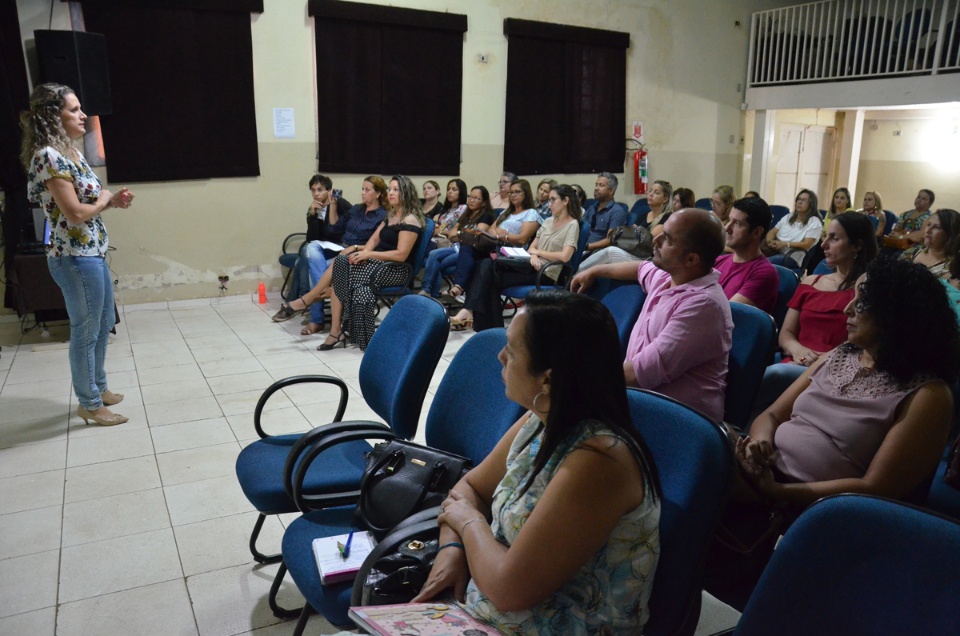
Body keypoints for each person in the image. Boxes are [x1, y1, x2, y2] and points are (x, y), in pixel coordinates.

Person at [708, 256, 959, 609]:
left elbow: (876, 489)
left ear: (897, 317)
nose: (848, 309)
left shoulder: (927, 396)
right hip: (766, 477)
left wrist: (778, 490)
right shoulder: (842, 354)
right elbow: (773, 414)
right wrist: (761, 443)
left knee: (698, 475)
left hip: (816, 509)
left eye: (863, 302)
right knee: (700, 450)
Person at [412, 290, 662, 635]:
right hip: (482, 612)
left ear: (548, 377)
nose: (500, 356)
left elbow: (508, 590)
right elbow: (468, 488)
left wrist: (469, 524)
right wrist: (452, 549)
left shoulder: (599, 461)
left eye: (511, 351)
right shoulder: (542, 416)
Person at [20, 83, 134, 426]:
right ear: (53, 116)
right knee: (85, 330)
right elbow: (75, 213)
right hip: (73, 257)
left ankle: (99, 387)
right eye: (74, 109)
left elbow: (91, 203)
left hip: (91, 252)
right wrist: (103, 200)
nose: (83, 115)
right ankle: (90, 403)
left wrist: (111, 201)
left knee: (102, 324)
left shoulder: (71, 152)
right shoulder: (48, 157)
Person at [571, 208, 732, 423]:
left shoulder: (703, 306)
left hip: (678, 420)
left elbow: (638, 374)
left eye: (667, 239)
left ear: (692, 259)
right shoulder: (670, 276)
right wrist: (596, 270)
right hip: (642, 398)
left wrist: (577, 381)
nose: (655, 240)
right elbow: (640, 268)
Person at [752, 213, 878, 416]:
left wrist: (818, 360)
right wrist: (798, 351)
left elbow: (866, 344)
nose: (823, 245)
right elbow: (786, 333)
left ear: (857, 246)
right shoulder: (811, 282)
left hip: (838, 369)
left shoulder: (867, 289)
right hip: (797, 360)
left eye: (834, 238)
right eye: (825, 237)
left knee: (774, 375)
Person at [455, 184, 582, 332]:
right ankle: (483, 324)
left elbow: (565, 256)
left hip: (547, 273)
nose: (550, 204)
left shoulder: (572, 225)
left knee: (489, 276)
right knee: (487, 264)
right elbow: (531, 248)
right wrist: (534, 254)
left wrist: (538, 253)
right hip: (531, 265)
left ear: (565, 201)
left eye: (553, 200)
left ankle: (478, 320)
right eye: (549, 200)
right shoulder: (548, 221)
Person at [321, 175, 424, 351]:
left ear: (406, 193)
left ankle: (334, 313)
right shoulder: (391, 216)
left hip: (395, 270)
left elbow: (401, 255)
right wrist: (363, 253)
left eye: (396, 189)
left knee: (343, 277)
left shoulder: (410, 219)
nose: (390, 193)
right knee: (342, 263)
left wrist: (369, 256)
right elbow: (373, 241)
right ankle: (337, 328)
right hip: (378, 264)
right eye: (390, 189)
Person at [274, 177, 389, 329]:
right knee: (310, 248)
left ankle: (313, 315)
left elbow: (376, 244)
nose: (362, 193)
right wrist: (317, 213)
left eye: (367, 190)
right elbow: (329, 229)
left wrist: (354, 247)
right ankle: (308, 306)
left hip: (356, 253)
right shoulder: (357, 209)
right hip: (339, 249)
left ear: (378, 194)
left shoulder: (382, 215)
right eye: (362, 189)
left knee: (309, 266)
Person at [446, 180, 541, 328]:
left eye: (517, 192)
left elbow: (523, 238)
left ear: (526, 193)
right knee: (470, 251)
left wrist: (506, 235)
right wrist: (498, 233)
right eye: (511, 192)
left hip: (514, 256)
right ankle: (473, 314)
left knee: (484, 266)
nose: (513, 195)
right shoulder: (506, 212)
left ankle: (468, 309)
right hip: (496, 250)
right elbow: (489, 231)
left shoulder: (531, 213)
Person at [271, 175, 352, 335]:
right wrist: (313, 216)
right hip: (320, 251)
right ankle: (309, 309)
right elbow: (311, 238)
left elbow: (348, 230)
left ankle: (312, 316)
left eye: (320, 190)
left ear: (329, 190)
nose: (316, 194)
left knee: (306, 260)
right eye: (313, 190)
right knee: (310, 254)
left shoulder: (340, 203)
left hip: (341, 250)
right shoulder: (314, 208)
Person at [576, 179, 673, 272]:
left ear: (665, 199)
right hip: (634, 252)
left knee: (611, 252)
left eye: (656, 193)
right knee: (604, 252)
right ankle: (576, 275)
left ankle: (574, 275)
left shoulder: (667, 217)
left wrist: (629, 234)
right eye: (650, 191)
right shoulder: (645, 214)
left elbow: (647, 241)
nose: (651, 194)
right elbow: (632, 234)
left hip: (648, 258)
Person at [419, 185, 496, 299]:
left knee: (439, 262)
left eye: (476, 198)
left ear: (484, 202)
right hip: (457, 246)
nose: (471, 200)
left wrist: (460, 234)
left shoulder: (486, 216)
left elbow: (476, 236)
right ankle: (426, 290)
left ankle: (432, 296)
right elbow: (452, 234)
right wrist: (462, 234)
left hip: (472, 251)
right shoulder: (467, 214)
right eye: (470, 197)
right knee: (433, 254)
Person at [715, 197, 779, 313]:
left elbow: (724, 315)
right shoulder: (718, 261)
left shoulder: (765, 274)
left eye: (737, 224)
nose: (727, 228)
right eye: (729, 220)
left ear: (756, 232)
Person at [765, 189, 822, 268]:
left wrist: (785, 244)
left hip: (791, 257)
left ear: (811, 204)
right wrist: (770, 241)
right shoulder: (789, 216)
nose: (799, 202)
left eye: (804, 200)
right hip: (774, 250)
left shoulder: (814, 222)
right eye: (798, 199)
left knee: (763, 264)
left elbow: (807, 244)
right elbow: (773, 231)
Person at [905, 208, 960, 279]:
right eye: (928, 224)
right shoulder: (910, 253)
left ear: (950, 234)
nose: (928, 230)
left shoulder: (953, 269)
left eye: (937, 227)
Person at [581, 172, 628, 253]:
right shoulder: (592, 208)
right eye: (596, 185)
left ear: (611, 191)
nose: (596, 188)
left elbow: (610, 240)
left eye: (601, 185)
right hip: (582, 247)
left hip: (598, 252)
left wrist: (586, 247)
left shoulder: (617, 211)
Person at [888, 188, 935, 258]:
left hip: (914, 251)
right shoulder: (905, 214)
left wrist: (901, 236)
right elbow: (896, 230)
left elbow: (922, 235)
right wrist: (894, 234)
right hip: (897, 245)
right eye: (918, 197)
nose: (919, 200)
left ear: (930, 203)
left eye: (924, 199)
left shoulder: (930, 218)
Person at [430, 178, 467, 249]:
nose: (450, 192)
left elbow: (458, 231)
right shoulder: (446, 210)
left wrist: (442, 231)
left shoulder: (464, 209)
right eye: (448, 189)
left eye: (454, 189)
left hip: (451, 243)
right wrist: (441, 231)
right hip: (437, 239)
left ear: (461, 192)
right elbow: (435, 230)